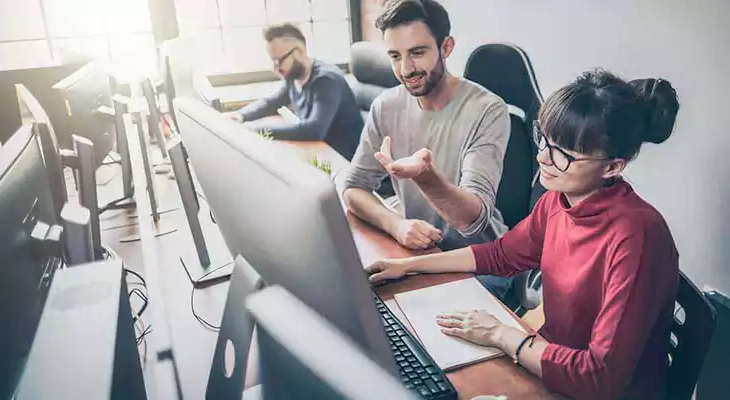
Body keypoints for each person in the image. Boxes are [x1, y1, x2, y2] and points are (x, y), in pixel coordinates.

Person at [366, 70, 681, 400]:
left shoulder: (638, 237)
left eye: (564, 153)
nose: (543, 157)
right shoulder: (557, 200)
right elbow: (502, 255)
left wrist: (500, 334)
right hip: (549, 360)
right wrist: (410, 267)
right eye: (545, 140)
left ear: (613, 167)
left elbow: (600, 378)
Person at [342, 0, 514, 302]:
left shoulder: (487, 110)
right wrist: (396, 224)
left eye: (417, 53)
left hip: (481, 265)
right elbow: (353, 188)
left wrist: (425, 176)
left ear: (446, 47)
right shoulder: (386, 105)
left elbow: (471, 220)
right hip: (417, 254)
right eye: (395, 56)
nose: (406, 69)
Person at [231, 23, 364, 161]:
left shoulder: (326, 80)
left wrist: (255, 131)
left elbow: (313, 130)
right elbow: (270, 103)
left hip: (345, 161)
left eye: (279, 60)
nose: (275, 68)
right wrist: (239, 116)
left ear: (299, 53)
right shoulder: (293, 76)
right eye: (272, 60)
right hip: (319, 152)